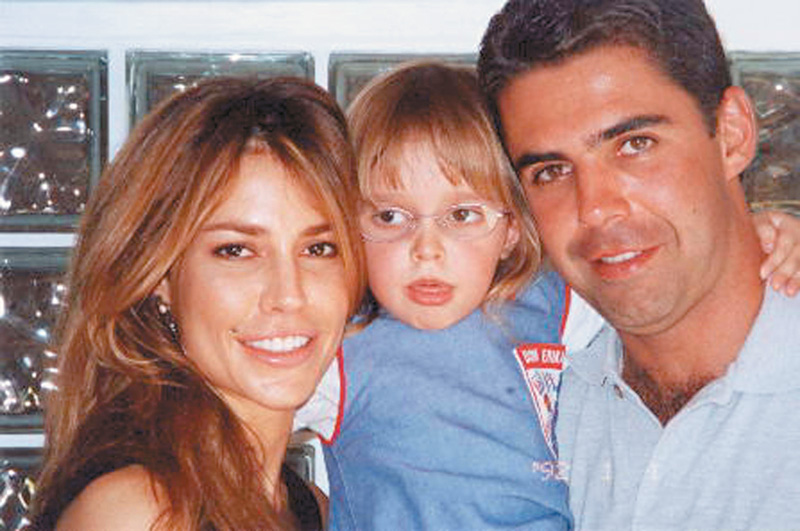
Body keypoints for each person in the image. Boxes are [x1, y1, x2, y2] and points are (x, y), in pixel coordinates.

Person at [479, 0, 800, 529]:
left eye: (635, 144)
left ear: (733, 134)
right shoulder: (534, 407)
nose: (595, 207)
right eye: (551, 171)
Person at [30, 76, 366, 530]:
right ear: (159, 278)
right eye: (237, 250)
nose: (289, 294)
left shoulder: (313, 509)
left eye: (319, 248)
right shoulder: (139, 513)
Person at [321, 61, 588, 530]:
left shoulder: (557, 304)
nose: (427, 250)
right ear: (351, 228)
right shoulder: (339, 351)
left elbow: (672, 306)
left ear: (510, 230)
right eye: (390, 217)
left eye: (462, 215)